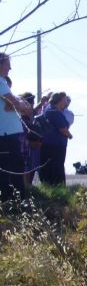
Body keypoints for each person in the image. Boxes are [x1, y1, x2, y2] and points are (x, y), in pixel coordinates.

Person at [0, 53, 32, 202]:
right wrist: (21, 105)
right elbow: (14, 103)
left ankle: (13, 203)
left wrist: (17, 103)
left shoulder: (3, 83)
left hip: (9, 133)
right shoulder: (0, 82)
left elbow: (12, 104)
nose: (10, 68)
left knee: (13, 170)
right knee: (12, 171)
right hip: (6, 134)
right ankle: (14, 204)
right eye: (7, 64)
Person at [39, 92, 72, 185]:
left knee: (52, 169)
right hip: (54, 146)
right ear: (60, 100)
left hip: (51, 145)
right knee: (56, 169)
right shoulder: (54, 112)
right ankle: (56, 190)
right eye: (65, 100)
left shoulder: (49, 110)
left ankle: (52, 188)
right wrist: (70, 136)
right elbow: (63, 129)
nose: (66, 103)